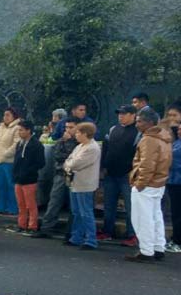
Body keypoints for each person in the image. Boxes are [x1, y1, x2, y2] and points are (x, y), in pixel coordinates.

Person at [125, 108, 172, 263]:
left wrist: (139, 183)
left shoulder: (148, 139)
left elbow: (146, 164)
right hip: (159, 182)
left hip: (146, 184)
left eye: (139, 121)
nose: (137, 124)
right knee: (155, 216)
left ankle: (146, 251)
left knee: (142, 218)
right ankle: (158, 247)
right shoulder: (164, 137)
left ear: (149, 122)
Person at [99, 105, 139, 244]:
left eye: (124, 113)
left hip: (127, 175)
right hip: (111, 173)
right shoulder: (113, 129)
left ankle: (132, 234)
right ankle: (107, 231)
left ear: (133, 115)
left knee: (131, 207)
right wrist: (103, 167)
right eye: (119, 113)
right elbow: (105, 148)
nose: (120, 116)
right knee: (109, 205)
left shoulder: (138, 132)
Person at [34, 117, 79, 239]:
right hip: (60, 173)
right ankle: (46, 228)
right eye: (66, 127)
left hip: (75, 175)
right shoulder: (61, 140)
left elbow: (74, 156)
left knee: (73, 205)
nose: (68, 130)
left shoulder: (80, 142)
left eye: (71, 127)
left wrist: (69, 143)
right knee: (54, 201)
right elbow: (57, 155)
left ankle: (71, 232)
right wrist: (65, 144)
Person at [63, 122, 101, 250]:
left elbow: (75, 163)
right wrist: (69, 164)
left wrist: (69, 164)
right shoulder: (80, 146)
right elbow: (69, 160)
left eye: (78, 132)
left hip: (85, 184)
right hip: (75, 183)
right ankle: (76, 237)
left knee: (86, 212)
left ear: (85, 133)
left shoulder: (92, 148)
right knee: (77, 212)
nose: (76, 135)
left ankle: (91, 239)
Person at [8, 120, 45, 235]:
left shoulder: (36, 145)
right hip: (19, 179)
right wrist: (15, 173)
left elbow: (40, 163)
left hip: (29, 179)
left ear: (29, 130)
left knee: (30, 204)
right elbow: (16, 160)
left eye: (21, 130)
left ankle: (32, 226)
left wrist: (28, 171)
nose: (19, 132)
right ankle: (21, 224)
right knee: (21, 204)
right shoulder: (20, 143)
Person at [0, 108, 21, 215]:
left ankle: (12, 207)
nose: (5, 117)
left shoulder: (17, 128)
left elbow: (16, 144)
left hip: (9, 161)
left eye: (8, 115)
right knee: (1, 185)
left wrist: (5, 154)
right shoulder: (1, 127)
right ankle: (1, 206)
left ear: (14, 116)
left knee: (11, 185)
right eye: (4, 115)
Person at [163, 102, 181, 253]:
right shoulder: (174, 138)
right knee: (175, 212)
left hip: (178, 181)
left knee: (178, 213)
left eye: (174, 115)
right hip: (173, 181)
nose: (171, 118)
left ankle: (178, 241)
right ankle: (175, 239)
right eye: (169, 115)